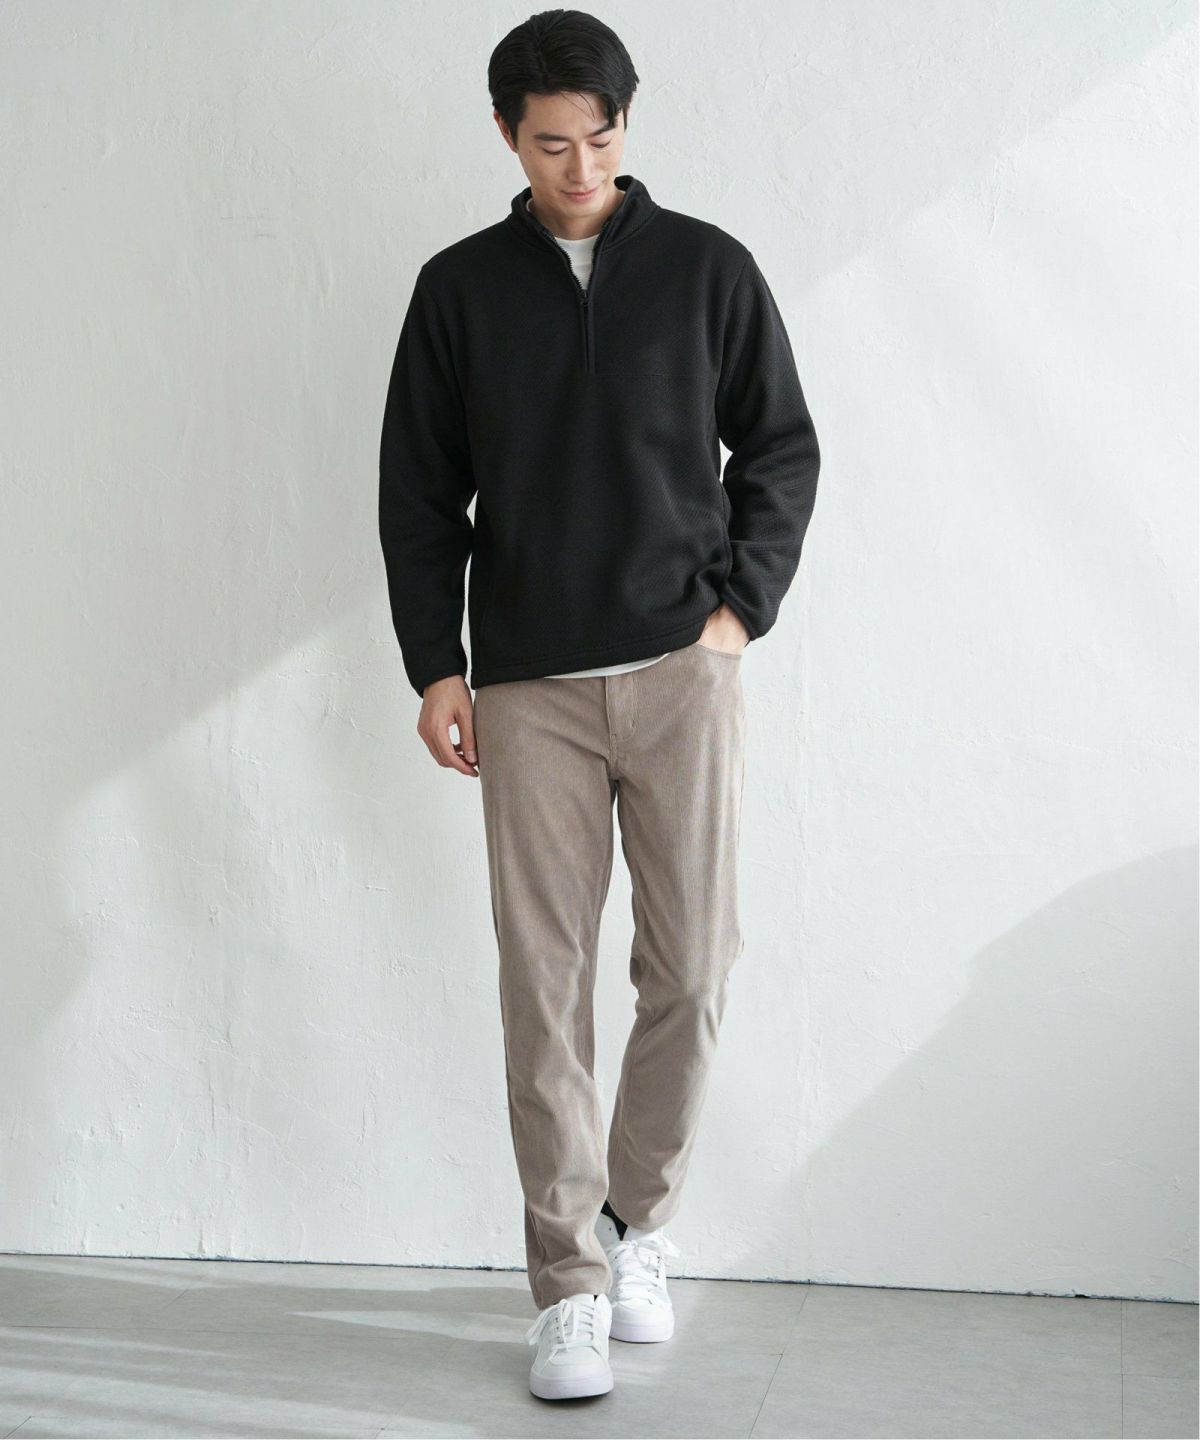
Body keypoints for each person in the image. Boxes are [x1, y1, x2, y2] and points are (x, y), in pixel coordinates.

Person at [378, 8, 820, 1402]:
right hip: (529, 688)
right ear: (507, 136)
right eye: (552, 144)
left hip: (684, 671)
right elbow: (417, 494)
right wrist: (437, 666)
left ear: (629, 123)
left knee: (693, 969)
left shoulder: (707, 269)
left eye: (602, 138)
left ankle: (635, 1227)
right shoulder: (458, 290)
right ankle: (568, 1285)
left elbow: (782, 449)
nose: (581, 169)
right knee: (545, 989)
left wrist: (737, 611)